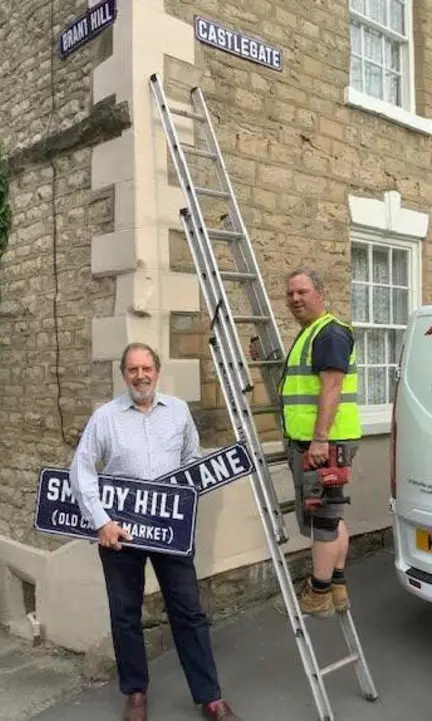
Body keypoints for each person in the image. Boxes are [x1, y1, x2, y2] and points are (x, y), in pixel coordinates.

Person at [70, 342, 238, 721]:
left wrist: (184, 505)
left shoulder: (178, 412)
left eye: (147, 369)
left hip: (169, 532)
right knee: (125, 614)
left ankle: (209, 696)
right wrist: (101, 521)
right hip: (121, 532)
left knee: (188, 611)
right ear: (124, 374)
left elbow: (192, 461)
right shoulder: (105, 417)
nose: (141, 376)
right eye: (133, 370)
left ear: (157, 372)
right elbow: (81, 469)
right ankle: (136, 693)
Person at [252, 269, 361, 619]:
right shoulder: (310, 334)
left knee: (324, 523)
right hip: (318, 444)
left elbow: (331, 387)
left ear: (321, 292)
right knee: (331, 514)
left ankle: (318, 594)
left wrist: (319, 440)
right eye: (290, 294)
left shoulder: (329, 333)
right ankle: (337, 587)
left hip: (324, 446)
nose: (295, 299)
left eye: (303, 291)